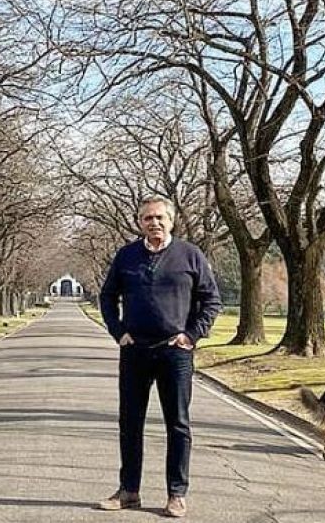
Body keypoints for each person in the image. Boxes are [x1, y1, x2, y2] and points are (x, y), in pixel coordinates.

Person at [97, 196, 222, 518]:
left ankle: (176, 494)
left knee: (177, 424)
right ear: (140, 222)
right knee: (130, 423)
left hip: (175, 352)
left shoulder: (190, 255)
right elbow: (107, 296)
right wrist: (118, 331)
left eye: (159, 218)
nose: (153, 223)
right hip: (135, 351)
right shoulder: (126, 256)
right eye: (147, 218)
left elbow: (211, 301)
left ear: (171, 220)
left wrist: (191, 335)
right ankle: (129, 491)